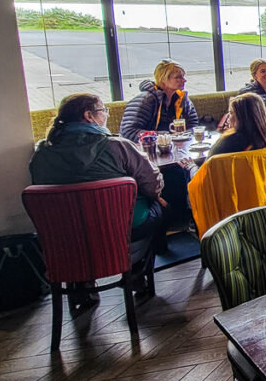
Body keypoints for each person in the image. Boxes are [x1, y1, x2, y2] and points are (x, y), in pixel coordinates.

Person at [29, 93, 166, 308]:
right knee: (157, 207)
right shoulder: (118, 146)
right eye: (104, 111)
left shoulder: (42, 154)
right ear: (89, 116)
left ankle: (80, 284)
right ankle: (136, 272)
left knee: (77, 221)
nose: (106, 116)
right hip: (118, 229)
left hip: (63, 237)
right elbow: (153, 183)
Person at [118, 59, 198, 226]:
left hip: (175, 151)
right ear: (163, 79)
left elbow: (193, 125)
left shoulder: (182, 99)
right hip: (149, 155)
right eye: (178, 77)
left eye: (183, 77)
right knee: (174, 173)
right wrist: (165, 136)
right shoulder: (146, 99)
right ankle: (173, 220)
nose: (184, 80)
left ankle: (189, 216)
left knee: (193, 165)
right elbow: (129, 131)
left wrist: (181, 135)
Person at [209, 92, 266, 156]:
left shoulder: (228, 141)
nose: (228, 117)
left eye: (231, 113)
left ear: (242, 117)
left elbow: (209, 164)